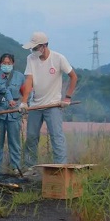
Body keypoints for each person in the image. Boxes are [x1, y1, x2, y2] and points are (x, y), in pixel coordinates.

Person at [19, 32, 77, 167]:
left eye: (35, 48)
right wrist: (24, 101)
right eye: (31, 48)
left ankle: (61, 167)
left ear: (43, 46)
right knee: (31, 137)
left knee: (56, 137)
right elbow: (29, 80)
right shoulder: (31, 58)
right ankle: (30, 167)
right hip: (35, 106)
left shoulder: (58, 58)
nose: (32, 51)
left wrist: (67, 97)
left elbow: (73, 76)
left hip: (53, 105)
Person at [0, 53, 23, 172]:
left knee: (14, 142)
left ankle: (16, 168)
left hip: (14, 113)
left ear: (13, 64)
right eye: (4, 63)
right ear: (0, 64)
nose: (6, 65)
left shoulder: (20, 76)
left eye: (9, 63)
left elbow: (27, 93)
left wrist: (25, 104)